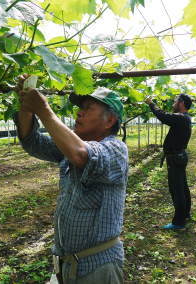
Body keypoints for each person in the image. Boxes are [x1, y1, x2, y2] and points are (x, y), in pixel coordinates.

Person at [14, 76, 128, 284]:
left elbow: (82, 155)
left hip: (97, 267)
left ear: (109, 121)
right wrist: (26, 106)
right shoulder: (70, 148)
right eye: (81, 107)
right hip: (66, 263)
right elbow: (33, 142)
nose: (79, 112)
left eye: (89, 108)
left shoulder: (116, 150)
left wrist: (44, 109)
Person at [145, 94, 192, 230]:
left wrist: (151, 104)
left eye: (175, 100)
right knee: (182, 186)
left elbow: (163, 116)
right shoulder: (185, 118)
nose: (173, 102)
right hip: (179, 156)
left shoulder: (181, 118)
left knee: (177, 189)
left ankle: (178, 222)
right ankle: (185, 214)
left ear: (182, 103)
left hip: (175, 157)